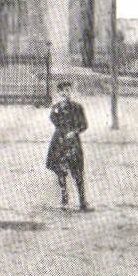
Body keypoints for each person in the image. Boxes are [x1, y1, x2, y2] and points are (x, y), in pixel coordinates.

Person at [45, 80, 90, 211]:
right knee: (60, 170)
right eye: (63, 91)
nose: (66, 93)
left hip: (73, 142)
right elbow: (54, 121)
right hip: (59, 141)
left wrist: (74, 131)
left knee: (77, 171)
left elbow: (84, 124)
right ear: (59, 93)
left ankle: (82, 201)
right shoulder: (55, 108)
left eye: (69, 90)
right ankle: (64, 199)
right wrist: (63, 131)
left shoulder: (77, 107)